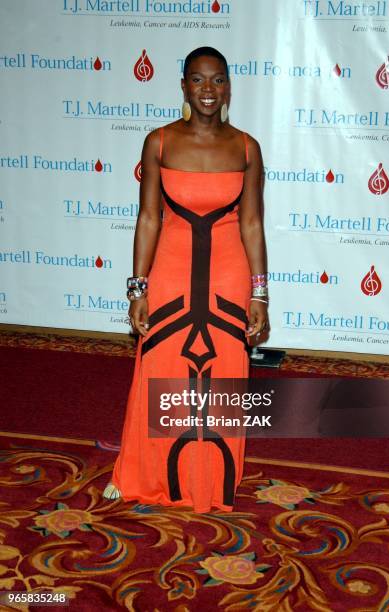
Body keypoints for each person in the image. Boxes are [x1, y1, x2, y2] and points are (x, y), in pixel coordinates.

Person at [103, 46, 269, 513]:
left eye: (217, 80)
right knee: (160, 367)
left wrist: (260, 292)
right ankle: (144, 472)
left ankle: (211, 483)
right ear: (183, 86)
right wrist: (138, 287)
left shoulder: (245, 148)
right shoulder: (158, 142)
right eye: (197, 80)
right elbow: (149, 218)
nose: (208, 90)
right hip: (171, 269)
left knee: (224, 377)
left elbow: (252, 223)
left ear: (229, 87)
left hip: (228, 272)